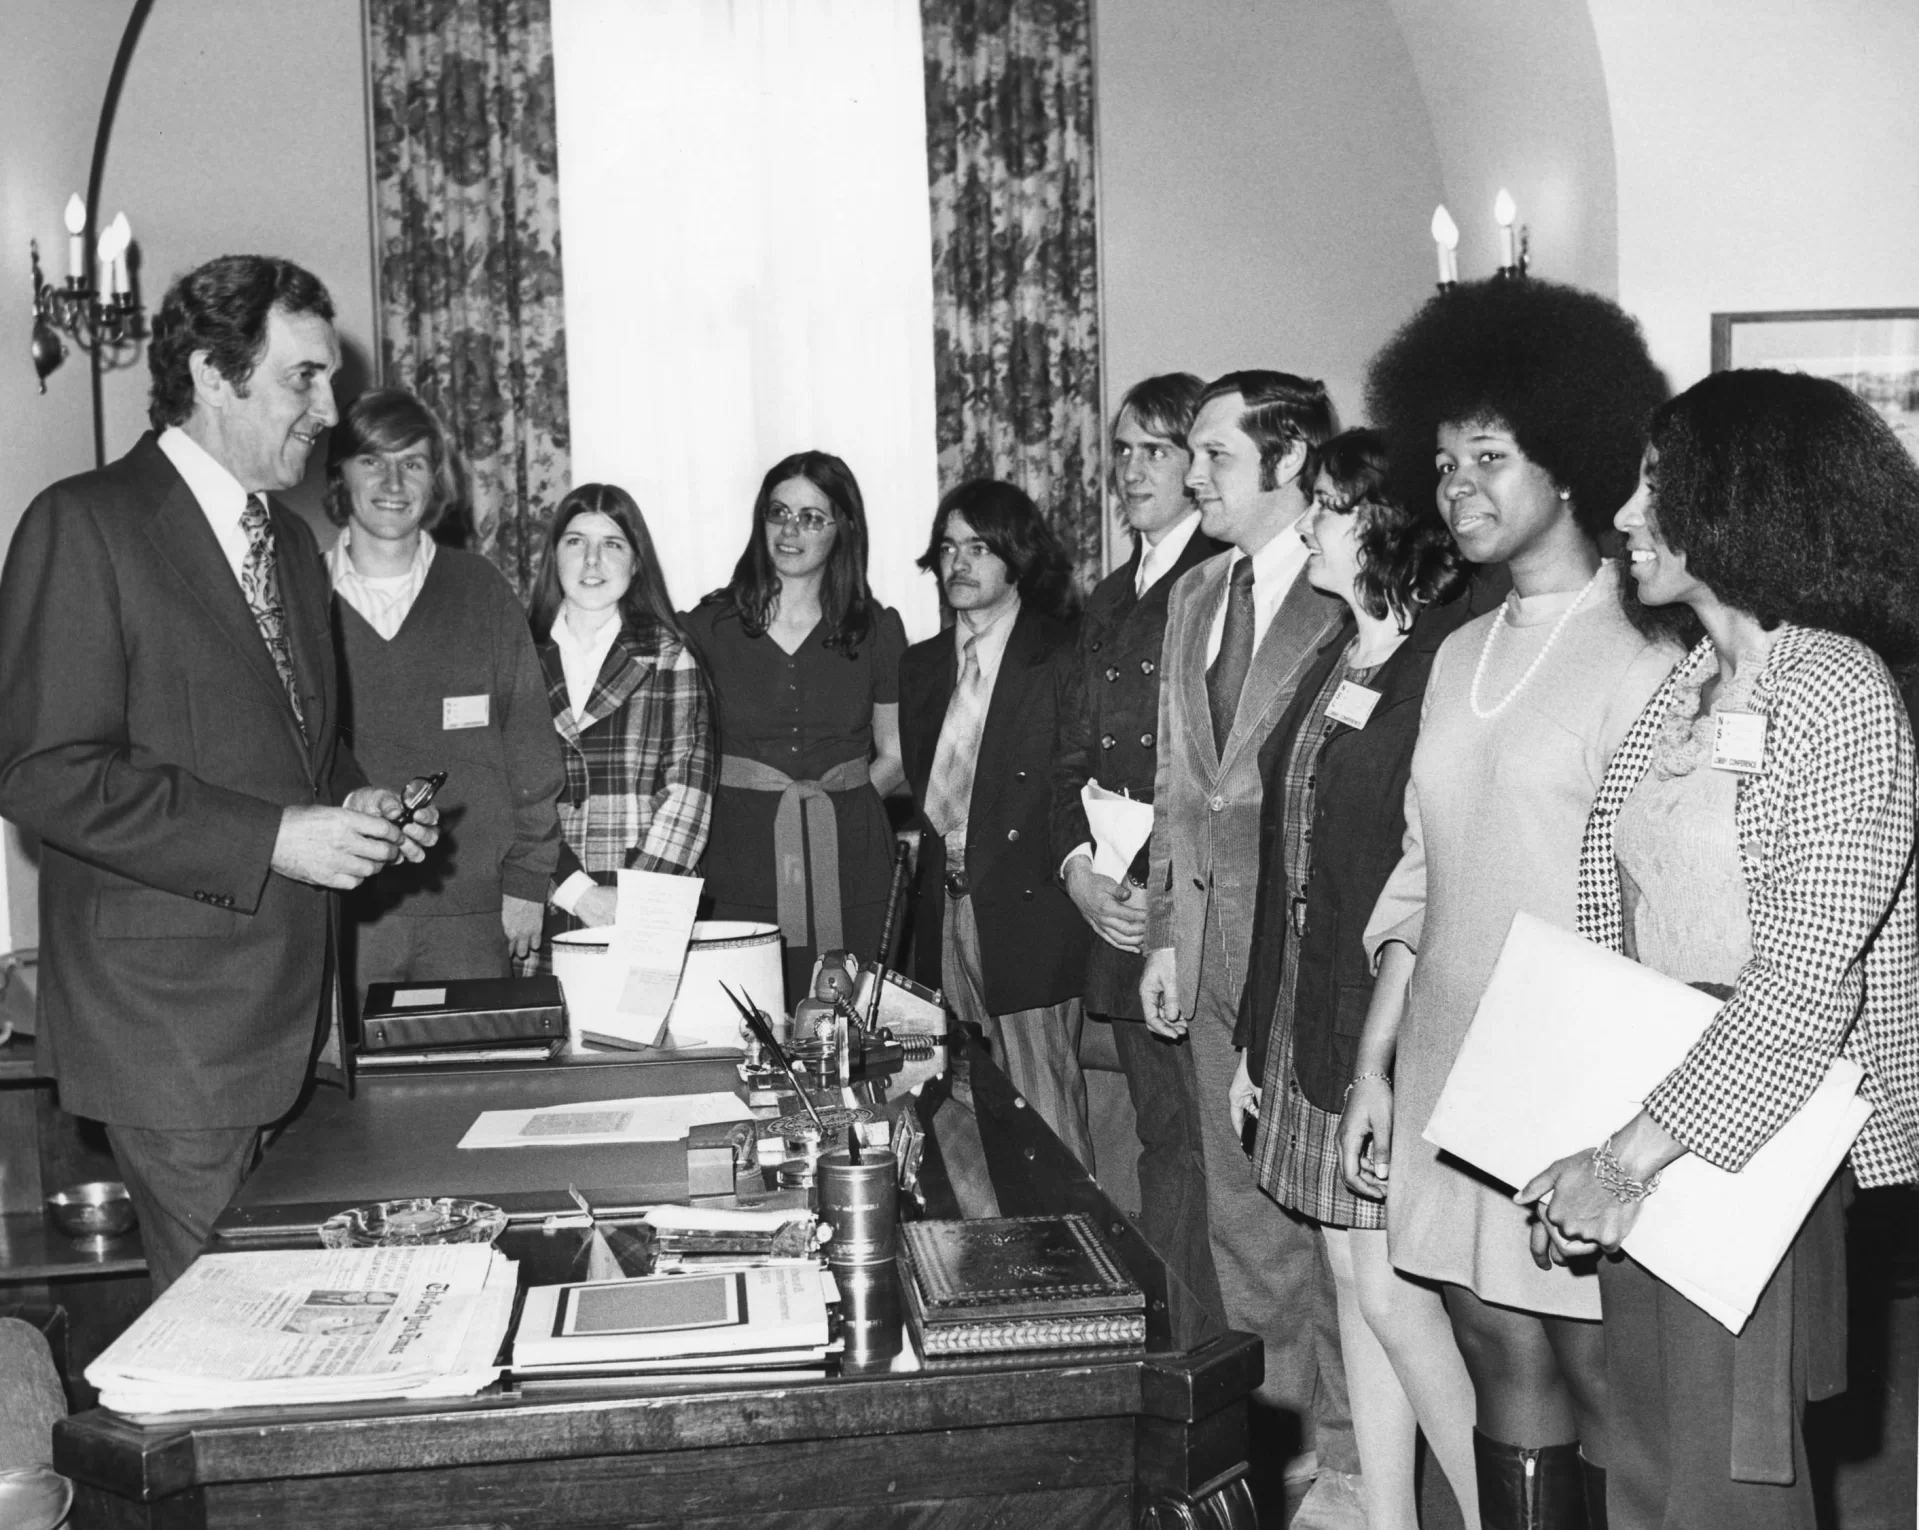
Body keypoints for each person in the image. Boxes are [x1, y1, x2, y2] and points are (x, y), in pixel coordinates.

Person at [1517, 369, 1919, 1530]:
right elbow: (1616, 927)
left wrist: (1627, 1158)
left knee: (1723, 1480)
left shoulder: (1834, 691)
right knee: (1642, 1459)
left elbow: (1800, 983)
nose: (1626, 515)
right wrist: (1590, 1135)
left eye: (1655, 486)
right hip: (1651, 1119)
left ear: (1743, 500)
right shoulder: (1685, 684)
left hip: (1760, 1134)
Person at [0, 255, 437, 1291]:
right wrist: (277, 838)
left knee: (297, 1327)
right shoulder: (85, 524)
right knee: (233, 1348)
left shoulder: (288, 541)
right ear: (211, 372)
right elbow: (42, 771)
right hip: (171, 1030)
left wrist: (359, 804)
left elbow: (304, 749)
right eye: (303, 379)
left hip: (296, 1022)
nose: (328, 410)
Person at [1353, 277, 1676, 1527]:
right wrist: (1375, 1068)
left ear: (1573, 457)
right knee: (1493, 1350)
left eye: (1489, 457)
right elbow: (1420, 870)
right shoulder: (1455, 650)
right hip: (1444, 1054)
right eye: (1441, 464)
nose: (1458, 489)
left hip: (1569, 1074)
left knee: (1600, 1370)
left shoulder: (1642, 656)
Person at [1232, 429, 1479, 1530]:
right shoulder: (1338, 654)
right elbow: (1281, 857)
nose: (1306, 526)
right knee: (1350, 1283)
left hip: (1382, 1021)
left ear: (1386, 525)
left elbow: (1421, 887)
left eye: (1327, 507)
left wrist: (1366, 1049)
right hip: (1304, 1013)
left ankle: (1490, 1513)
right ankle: (1390, 1519)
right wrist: (1252, 1038)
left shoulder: (1440, 665)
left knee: (1388, 1292)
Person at [1137, 371, 1357, 1519]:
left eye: (1214, 456)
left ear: (1287, 467)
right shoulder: (1194, 594)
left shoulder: (1347, 600)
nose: (1191, 476)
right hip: (1204, 947)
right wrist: (1170, 932)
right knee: (1239, 1220)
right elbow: (1185, 780)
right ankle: (1283, 1447)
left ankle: (1354, 1446)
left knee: (1323, 1220)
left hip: (1302, 957)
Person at [1052, 373, 1228, 1339]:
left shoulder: (1222, 579)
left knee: (1208, 1147)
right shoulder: (1113, 596)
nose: (1128, 470)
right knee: (1163, 1140)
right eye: (1119, 450)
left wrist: (1149, 886)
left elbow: (1216, 771)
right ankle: (1175, 1344)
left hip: (1190, 906)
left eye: (1153, 450)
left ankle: (1212, 1352)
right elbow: (1067, 755)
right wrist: (1078, 872)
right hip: (1113, 905)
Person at [324, 388, 563, 997]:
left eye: (414, 462)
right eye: (373, 460)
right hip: (338, 916)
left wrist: (527, 883)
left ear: (436, 481)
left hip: (473, 920)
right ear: (340, 473)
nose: (394, 481)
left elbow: (530, 746)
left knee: (472, 1086)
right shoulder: (301, 595)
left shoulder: (481, 590)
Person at [899, 479, 1094, 1168]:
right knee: (954, 1100)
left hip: (1027, 910)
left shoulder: (1063, 653)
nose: (958, 563)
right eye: (948, 548)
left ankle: (1071, 1253)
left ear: (1016, 558)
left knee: (1044, 1105)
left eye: (978, 548)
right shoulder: (920, 665)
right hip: (943, 905)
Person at [681, 453, 908, 1003]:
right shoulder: (706, 627)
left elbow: (896, 755)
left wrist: (837, 807)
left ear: (843, 529)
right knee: (743, 1024)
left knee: (851, 1032)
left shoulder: (877, 628)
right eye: (778, 512)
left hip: (852, 864)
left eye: (812, 517)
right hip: (737, 863)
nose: (790, 530)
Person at [529, 485, 714, 946]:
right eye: (576, 542)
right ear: (554, 557)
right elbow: (508, 795)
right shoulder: (517, 657)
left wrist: (635, 903)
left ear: (636, 563)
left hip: (649, 909)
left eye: (612, 544)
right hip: (545, 899)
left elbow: (688, 795)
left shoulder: (670, 658)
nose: (593, 561)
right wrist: (577, 892)